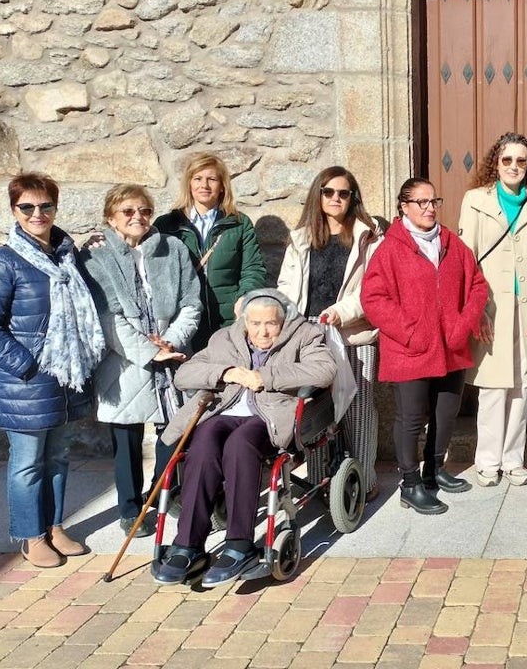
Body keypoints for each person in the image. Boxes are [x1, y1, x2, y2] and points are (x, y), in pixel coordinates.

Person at [153, 289, 336, 587]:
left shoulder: (305, 334)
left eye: (271, 324)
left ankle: (240, 544)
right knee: (203, 442)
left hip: (269, 416)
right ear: (244, 322)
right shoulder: (224, 338)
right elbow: (184, 375)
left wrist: (267, 377)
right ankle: (188, 544)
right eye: (255, 324)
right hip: (223, 411)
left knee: (240, 444)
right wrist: (227, 372)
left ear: (283, 321)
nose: (263, 332)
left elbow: (325, 370)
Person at [0, 173, 104, 567]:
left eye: (45, 206)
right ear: (14, 210)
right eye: (27, 207)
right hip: (27, 380)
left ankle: (53, 527)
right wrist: (28, 364)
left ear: (55, 207)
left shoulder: (67, 257)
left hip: (64, 378)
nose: (38, 214)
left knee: (57, 457)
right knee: (28, 461)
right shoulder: (3, 262)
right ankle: (30, 536)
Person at [80, 184, 202, 537]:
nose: (138, 218)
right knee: (126, 439)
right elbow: (107, 317)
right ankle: (130, 508)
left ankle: (159, 497)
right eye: (128, 211)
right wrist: (151, 351)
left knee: (172, 432)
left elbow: (191, 302)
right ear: (111, 217)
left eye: (145, 211)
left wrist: (172, 341)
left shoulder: (173, 249)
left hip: (172, 353)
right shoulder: (96, 256)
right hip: (124, 360)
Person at [361, 178, 489, 514]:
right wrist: (411, 332)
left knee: (446, 413)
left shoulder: (452, 243)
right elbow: (373, 299)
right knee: (411, 417)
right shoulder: (389, 248)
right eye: (421, 202)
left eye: (434, 201)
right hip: (410, 350)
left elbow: (477, 285)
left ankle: (434, 471)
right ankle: (410, 484)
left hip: (452, 347)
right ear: (404, 206)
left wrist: (463, 326)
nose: (430, 208)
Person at [459, 132, 527, 487]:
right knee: (492, 386)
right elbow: (465, 260)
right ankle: (487, 459)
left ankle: (513, 458)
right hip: (491, 309)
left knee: (522, 383)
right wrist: (474, 311)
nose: (514, 167)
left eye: (521, 161)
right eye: (507, 160)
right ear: (496, 163)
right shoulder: (475, 201)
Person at [276, 166, 383, 499]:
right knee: (317, 410)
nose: (335, 198)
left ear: (352, 198)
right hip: (311, 337)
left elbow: (373, 288)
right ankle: (322, 481)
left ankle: (363, 480)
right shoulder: (301, 239)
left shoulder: (369, 237)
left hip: (353, 334)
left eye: (343, 193)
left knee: (358, 410)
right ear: (318, 195)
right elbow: (286, 287)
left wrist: (340, 312)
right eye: (328, 192)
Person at [154, 151, 267, 350]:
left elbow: (253, 268)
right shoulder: (167, 225)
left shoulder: (239, 224)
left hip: (227, 321)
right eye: (197, 178)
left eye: (212, 179)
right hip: (183, 320)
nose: (204, 185)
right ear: (189, 184)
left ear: (222, 186)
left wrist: (244, 298)